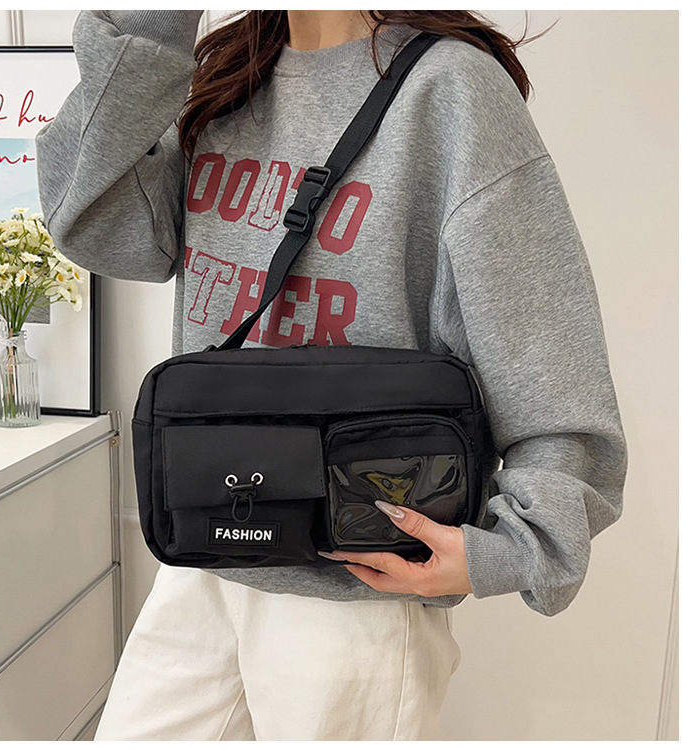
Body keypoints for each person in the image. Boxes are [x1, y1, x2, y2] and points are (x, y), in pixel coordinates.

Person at [35, 10, 628, 741]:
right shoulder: (228, 75)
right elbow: (88, 219)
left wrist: (515, 549)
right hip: (209, 551)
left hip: (356, 589)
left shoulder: (452, 89)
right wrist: (154, 24)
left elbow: (548, 355)